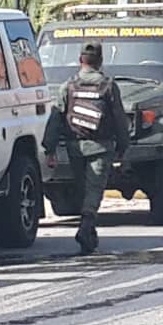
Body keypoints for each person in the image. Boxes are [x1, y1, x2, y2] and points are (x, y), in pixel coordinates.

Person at [42, 41, 130, 255]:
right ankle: (85, 228)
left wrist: (50, 149)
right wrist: (123, 145)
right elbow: (119, 118)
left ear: (80, 60)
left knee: (83, 188)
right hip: (101, 147)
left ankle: (89, 232)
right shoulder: (108, 86)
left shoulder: (68, 86)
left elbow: (55, 118)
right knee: (94, 190)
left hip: (75, 148)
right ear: (100, 61)